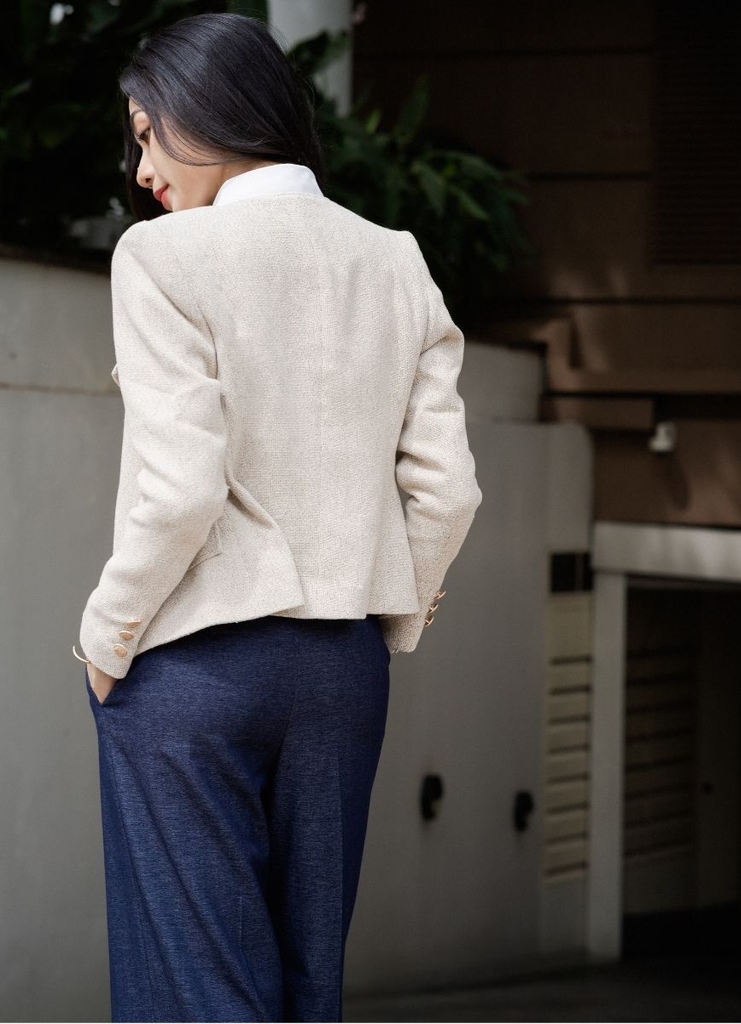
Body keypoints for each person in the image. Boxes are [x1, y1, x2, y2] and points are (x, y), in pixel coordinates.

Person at [73, 11, 482, 1023]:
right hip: (343, 673)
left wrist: (106, 637)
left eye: (147, 133)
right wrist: (388, 618)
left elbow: (180, 488)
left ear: (206, 109)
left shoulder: (162, 256)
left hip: (193, 668)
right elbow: (448, 491)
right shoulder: (395, 259)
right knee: (306, 993)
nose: (141, 170)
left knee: (197, 993)